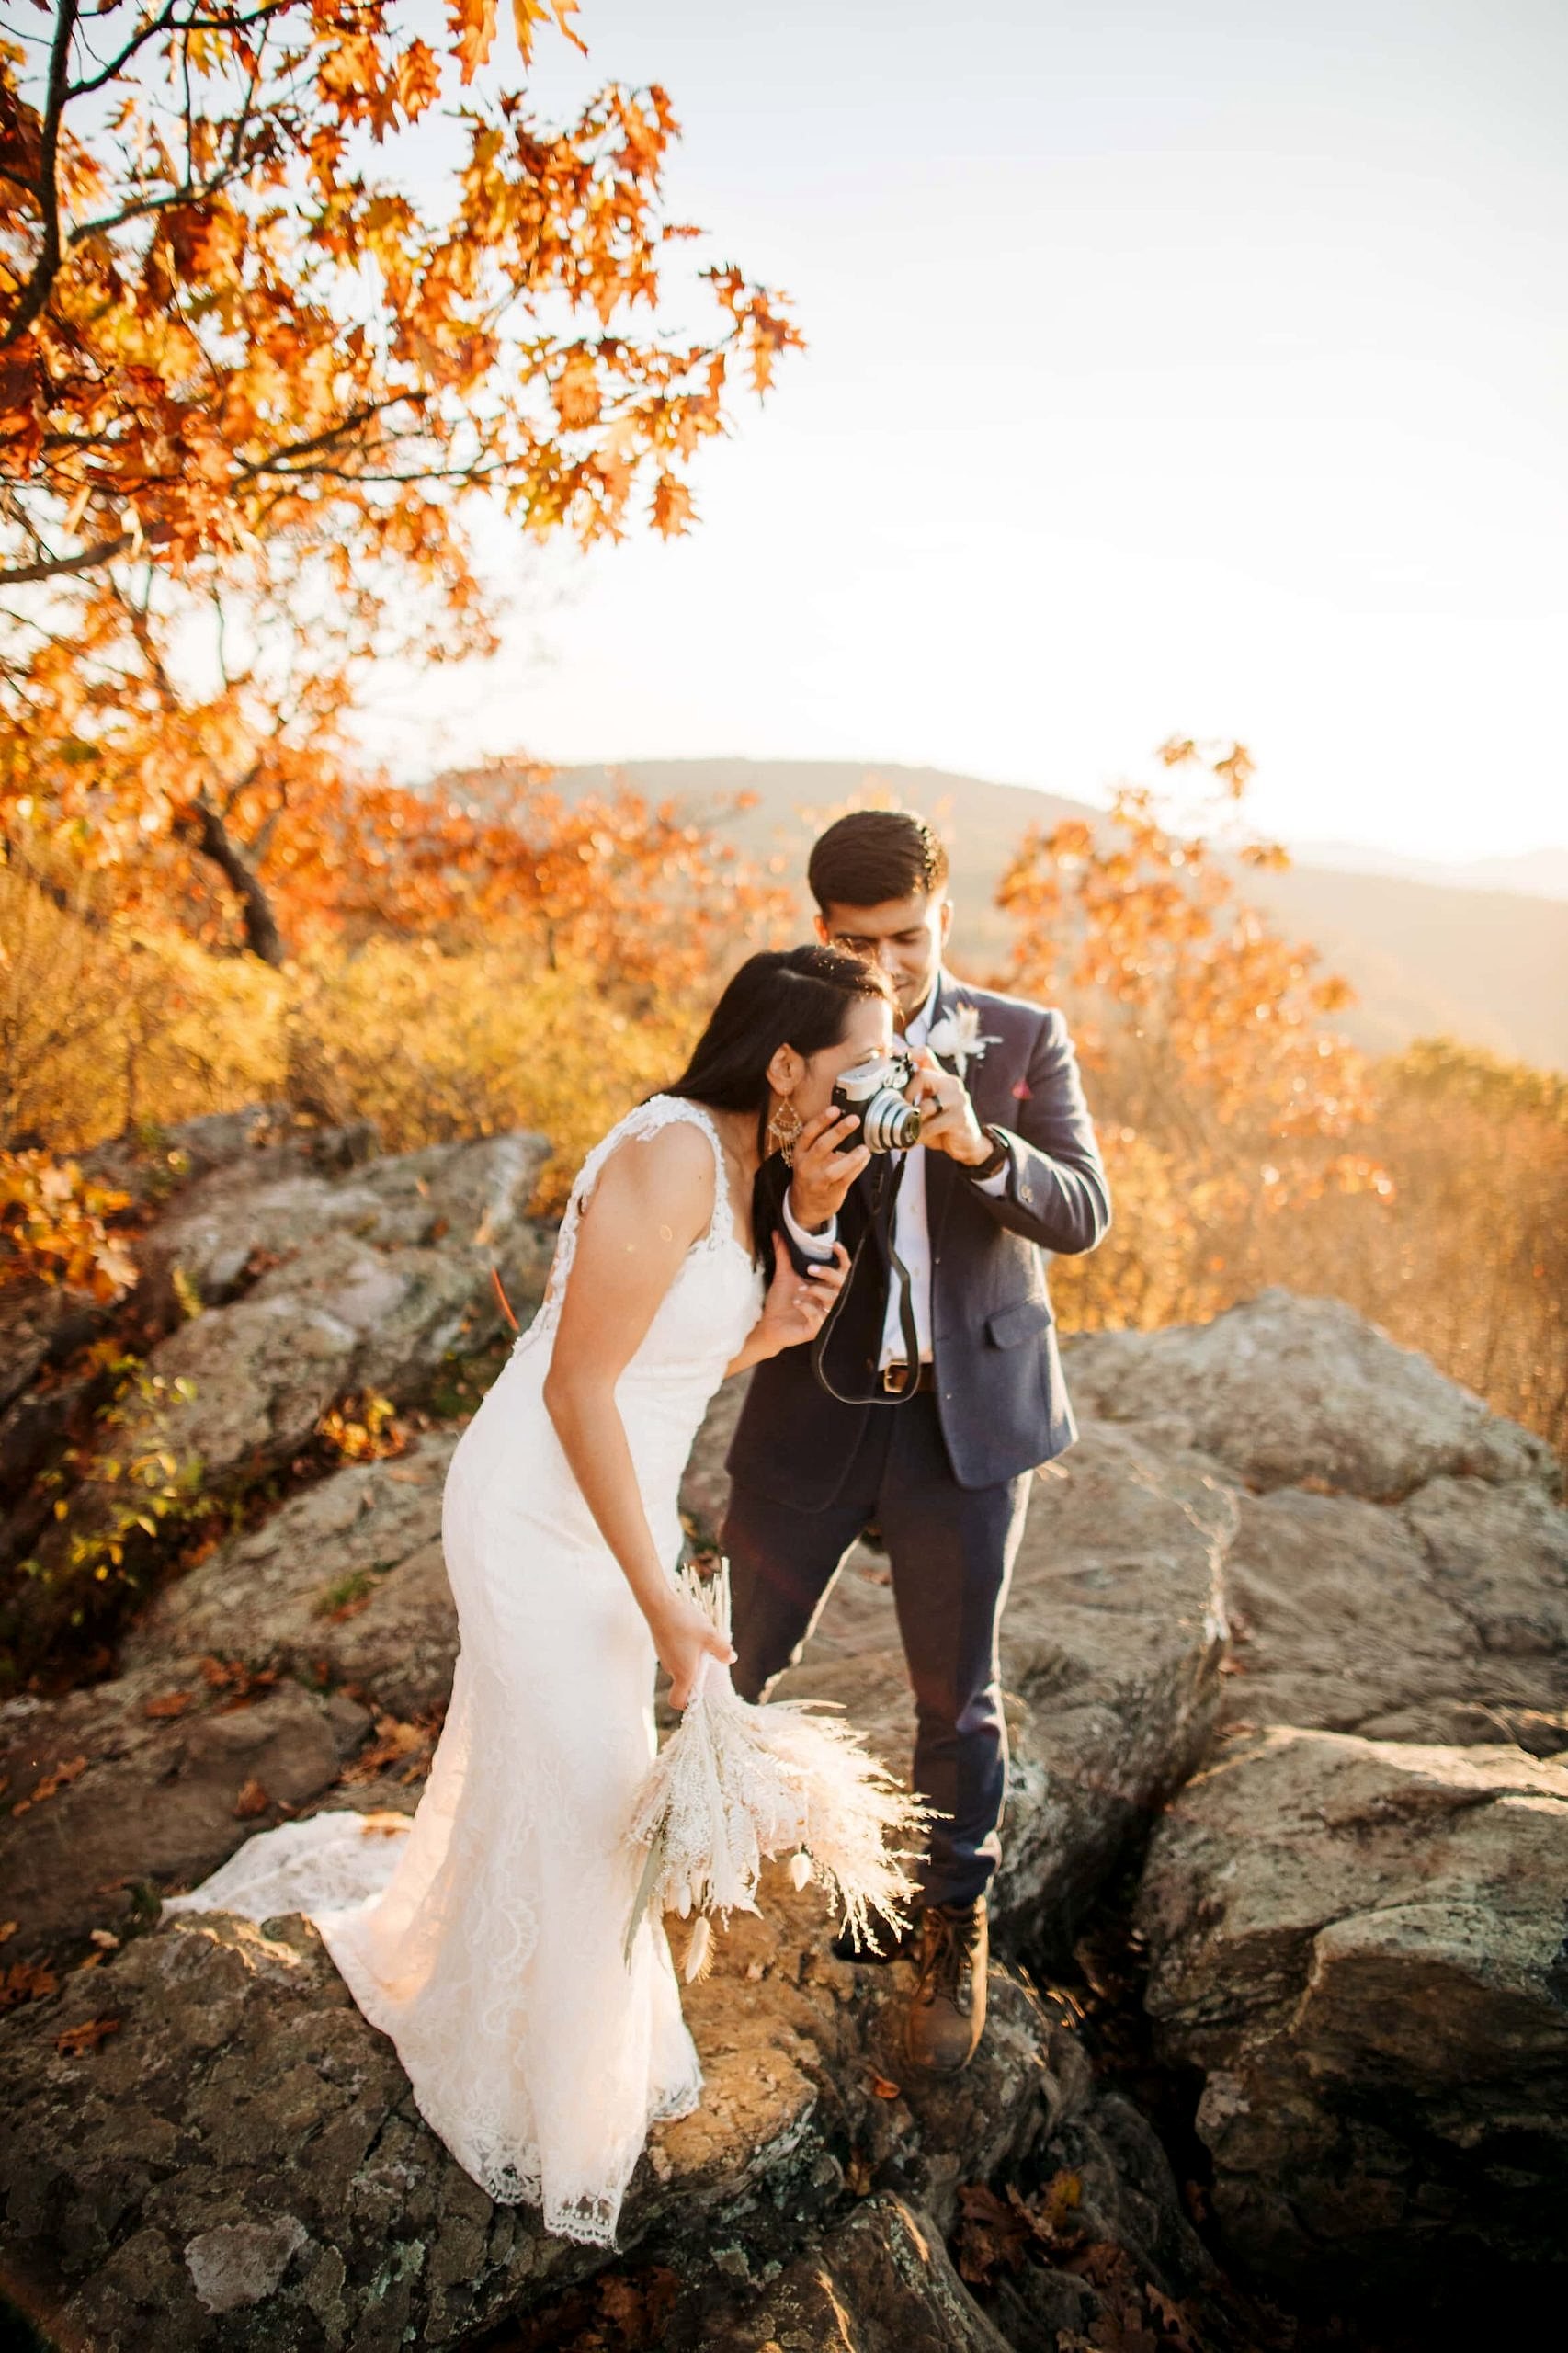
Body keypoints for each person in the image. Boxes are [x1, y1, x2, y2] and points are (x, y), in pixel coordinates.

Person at [161, 947, 897, 2250]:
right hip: (533, 1510)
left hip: (610, 1510)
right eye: (861, 1063)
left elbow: (659, 1360)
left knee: (587, 1790)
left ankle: (542, 2027)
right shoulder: (672, 1154)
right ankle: (523, 2076)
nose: (881, 1084)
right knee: (585, 1785)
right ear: (784, 1065)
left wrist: (769, 1328)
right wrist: (662, 1595)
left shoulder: (745, 1164)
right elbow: (573, 1386)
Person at [725, 810, 1111, 2076]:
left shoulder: (1021, 1038)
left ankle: (952, 1922)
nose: (882, 966)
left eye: (903, 937)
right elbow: (727, 1230)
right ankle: (689, 1864)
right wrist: (805, 1190)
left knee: (957, 1695)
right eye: (852, 941)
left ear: (944, 914)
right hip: (813, 1409)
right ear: (815, 930)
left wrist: (975, 1145)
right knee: (727, 1660)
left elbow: (1084, 1214)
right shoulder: (780, 1038)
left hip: (966, 1422)